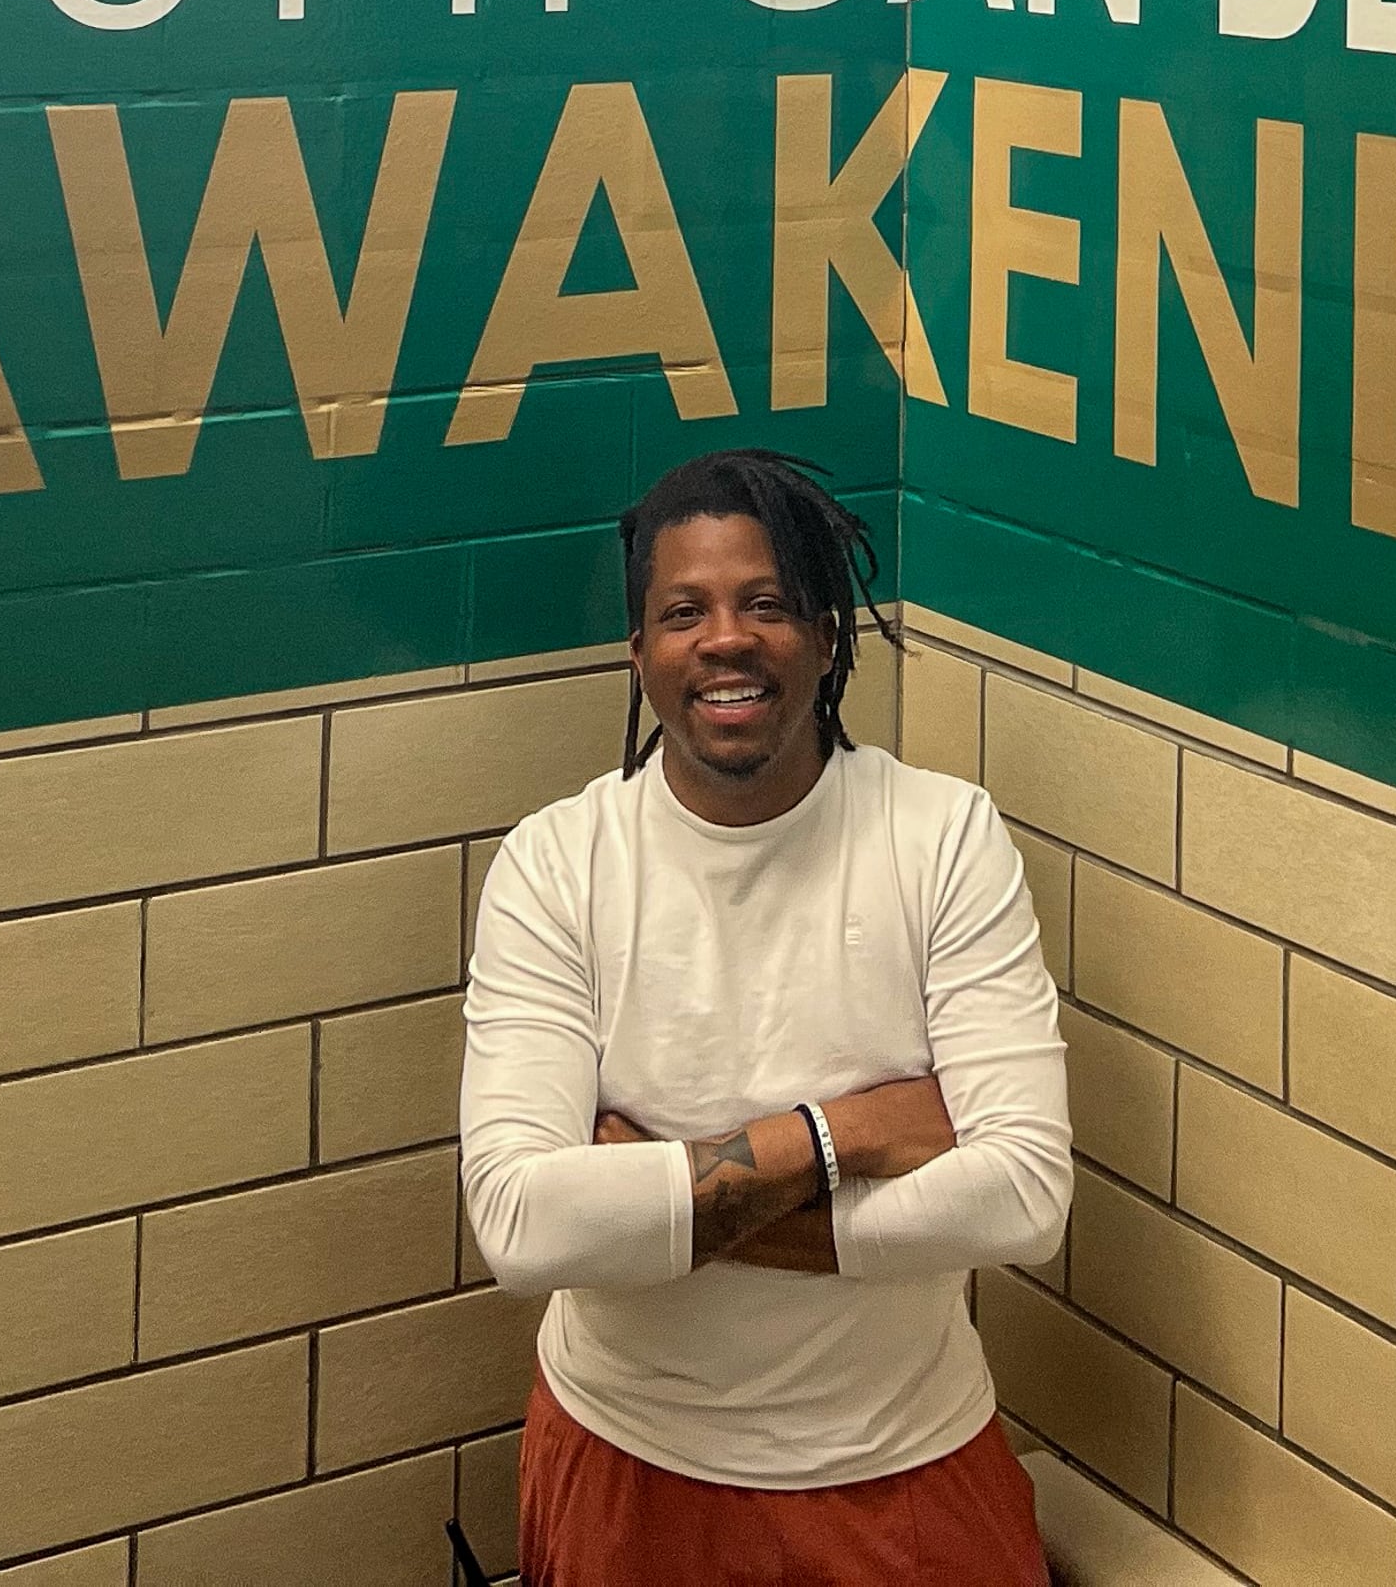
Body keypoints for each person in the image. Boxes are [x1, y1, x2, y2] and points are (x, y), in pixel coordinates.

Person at [458, 449, 1072, 1585]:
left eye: (768, 602)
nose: (725, 638)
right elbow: (522, 1225)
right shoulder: (555, 864)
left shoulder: (943, 837)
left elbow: (1025, 1194)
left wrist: (654, 1199)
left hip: (905, 1468)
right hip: (625, 1464)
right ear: (639, 650)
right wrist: (848, 1132)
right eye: (682, 609)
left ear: (829, 634)